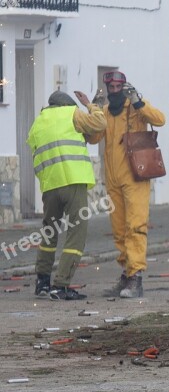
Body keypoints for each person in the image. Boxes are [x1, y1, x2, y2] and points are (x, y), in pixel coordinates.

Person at [86, 71, 166, 298]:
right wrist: (92, 109)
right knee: (119, 231)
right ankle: (126, 275)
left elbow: (160, 119)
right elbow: (93, 138)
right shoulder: (105, 113)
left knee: (135, 226)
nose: (114, 92)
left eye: (117, 88)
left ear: (124, 87)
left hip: (135, 177)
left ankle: (136, 278)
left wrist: (139, 101)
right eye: (110, 88)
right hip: (113, 179)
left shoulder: (136, 108)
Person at [27, 90, 107, 300]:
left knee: (49, 232)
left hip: (50, 185)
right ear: (67, 104)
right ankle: (61, 285)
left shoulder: (37, 123)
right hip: (72, 180)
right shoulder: (71, 113)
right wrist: (91, 105)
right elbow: (99, 124)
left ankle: (42, 282)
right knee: (76, 233)